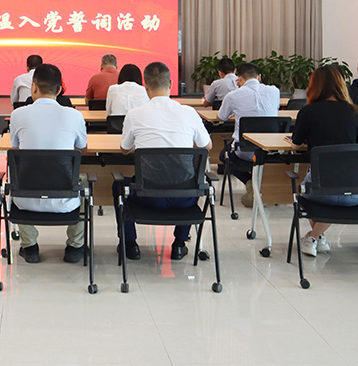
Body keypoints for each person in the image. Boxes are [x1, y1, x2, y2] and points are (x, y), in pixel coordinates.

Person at [117, 62, 212, 261]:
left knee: (118, 186)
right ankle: (179, 244)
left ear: (145, 86)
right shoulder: (189, 112)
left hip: (147, 197)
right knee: (191, 181)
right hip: (184, 199)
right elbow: (207, 146)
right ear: (170, 83)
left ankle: (130, 244)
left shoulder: (134, 115)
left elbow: (124, 149)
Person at [8, 63, 88, 264]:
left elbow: (15, 147)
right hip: (66, 200)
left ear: (33, 87)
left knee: (16, 177)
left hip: (25, 199)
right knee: (86, 183)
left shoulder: (18, 114)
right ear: (59, 89)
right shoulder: (75, 115)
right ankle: (75, 247)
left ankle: (29, 247)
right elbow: (82, 147)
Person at [289, 66, 358, 257]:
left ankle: (313, 236)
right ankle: (318, 238)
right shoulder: (355, 112)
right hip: (357, 192)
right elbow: (355, 147)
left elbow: (295, 144)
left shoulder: (308, 111)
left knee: (304, 190)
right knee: (334, 192)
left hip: (320, 191)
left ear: (314, 86)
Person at [217, 62, 280, 207]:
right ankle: (259, 184)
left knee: (223, 156)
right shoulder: (274, 91)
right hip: (270, 150)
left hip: (244, 151)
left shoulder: (233, 96)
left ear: (238, 79)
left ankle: (250, 182)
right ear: (259, 77)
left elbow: (221, 117)